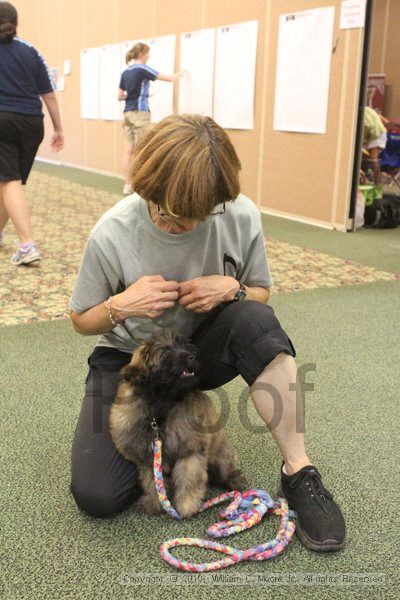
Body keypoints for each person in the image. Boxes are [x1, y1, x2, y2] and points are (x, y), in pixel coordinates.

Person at [69, 114, 346, 553]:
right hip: (131, 361)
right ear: (147, 189)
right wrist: (123, 304)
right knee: (98, 495)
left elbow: (261, 293)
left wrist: (232, 289)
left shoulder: (239, 214)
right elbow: (81, 319)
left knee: (254, 320)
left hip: (200, 350)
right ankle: (175, 439)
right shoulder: (113, 232)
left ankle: (299, 471)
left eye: (202, 214)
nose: (190, 228)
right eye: (174, 215)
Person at [0, 1, 64, 265]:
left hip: (2, 119)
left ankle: (27, 245)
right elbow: (48, 94)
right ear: (16, 23)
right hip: (32, 123)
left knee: (9, 181)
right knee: (7, 181)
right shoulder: (31, 51)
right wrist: (59, 128)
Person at [118, 42, 184, 195]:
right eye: (147, 53)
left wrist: (136, 95)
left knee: (128, 150)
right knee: (143, 149)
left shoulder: (126, 72)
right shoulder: (142, 68)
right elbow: (171, 79)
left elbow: (120, 96)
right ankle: (141, 186)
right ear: (141, 53)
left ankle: (127, 185)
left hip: (127, 113)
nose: (148, 56)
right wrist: (180, 73)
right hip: (140, 113)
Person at [363, 106, 387, 187]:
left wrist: (362, 140)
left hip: (377, 135)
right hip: (377, 133)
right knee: (365, 157)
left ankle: (377, 184)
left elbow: (367, 126)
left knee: (373, 159)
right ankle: (365, 179)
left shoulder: (363, 112)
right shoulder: (367, 108)